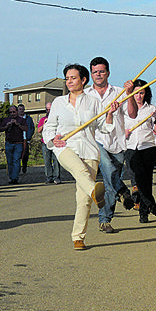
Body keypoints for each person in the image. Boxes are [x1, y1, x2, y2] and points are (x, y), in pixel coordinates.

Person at [44, 63, 115, 250]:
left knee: (83, 199)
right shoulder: (59, 102)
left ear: (83, 80)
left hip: (90, 151)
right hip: (65, 147)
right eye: (67, 78)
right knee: (78, 169)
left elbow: (104, 128)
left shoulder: (94, 102)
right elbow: (48, 128)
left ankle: (78, 237)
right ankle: (95, 190)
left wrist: (109, 115)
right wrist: (53, 138)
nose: (69, 82)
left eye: (73, 78)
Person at [88, 57, 133, 233]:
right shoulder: (86, 95)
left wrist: (129, 94)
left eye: (101, 71)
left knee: (109, 184)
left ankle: (105, 220)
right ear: (91, 75)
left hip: (117, 142)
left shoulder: (120, 92)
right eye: (95, 72)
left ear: (108, 72)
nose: (98, 75)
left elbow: (132, 113)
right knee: (107, 167)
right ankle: (122, 190)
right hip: (96, 140)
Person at [124, 79, 156, 223]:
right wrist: (124, 132)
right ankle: (151, 204)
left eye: (141, 93)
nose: (139, 96)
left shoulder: (151, 108)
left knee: (146, 181)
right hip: (131, 148)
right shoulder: (125, 108)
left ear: (146, 94)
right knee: (138, 178)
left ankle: (144, 212)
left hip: (148, 148)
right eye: (136, 93)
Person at [0, 104, 28, 184]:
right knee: (10, 161)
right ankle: (11, 177)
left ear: (17, 112)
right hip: (9, 143)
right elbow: (0, 129)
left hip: (18, 143)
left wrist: (17, 124)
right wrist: (6, 126)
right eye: (11, 112)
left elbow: (26, 128)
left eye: (14, 112)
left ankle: (15, 178)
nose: (12, 114)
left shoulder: (21, 120)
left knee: (16, 160)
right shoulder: (6, 120)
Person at [37, 101, 61, 184]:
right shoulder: (43, 119)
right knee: (47, 161)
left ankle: (56, 177)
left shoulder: (58, 119)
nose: (49, 111)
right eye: (47, 110)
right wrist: (44, 124)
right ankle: (49, 177)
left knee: (56, 161)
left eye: (50, 109)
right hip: (45, 143)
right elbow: (38, 130)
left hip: (55, 142)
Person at [19, 103, 35, 174]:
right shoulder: (16, 119)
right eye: (20, 109)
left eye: (22, 109)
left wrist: (29, 137)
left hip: (26, 139)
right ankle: (18, 168)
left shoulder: (28, 118)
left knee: (25, 155)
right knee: (17, 155)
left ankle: (24, 166)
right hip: (18, 140)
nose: (21, 111)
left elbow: (32, 128)